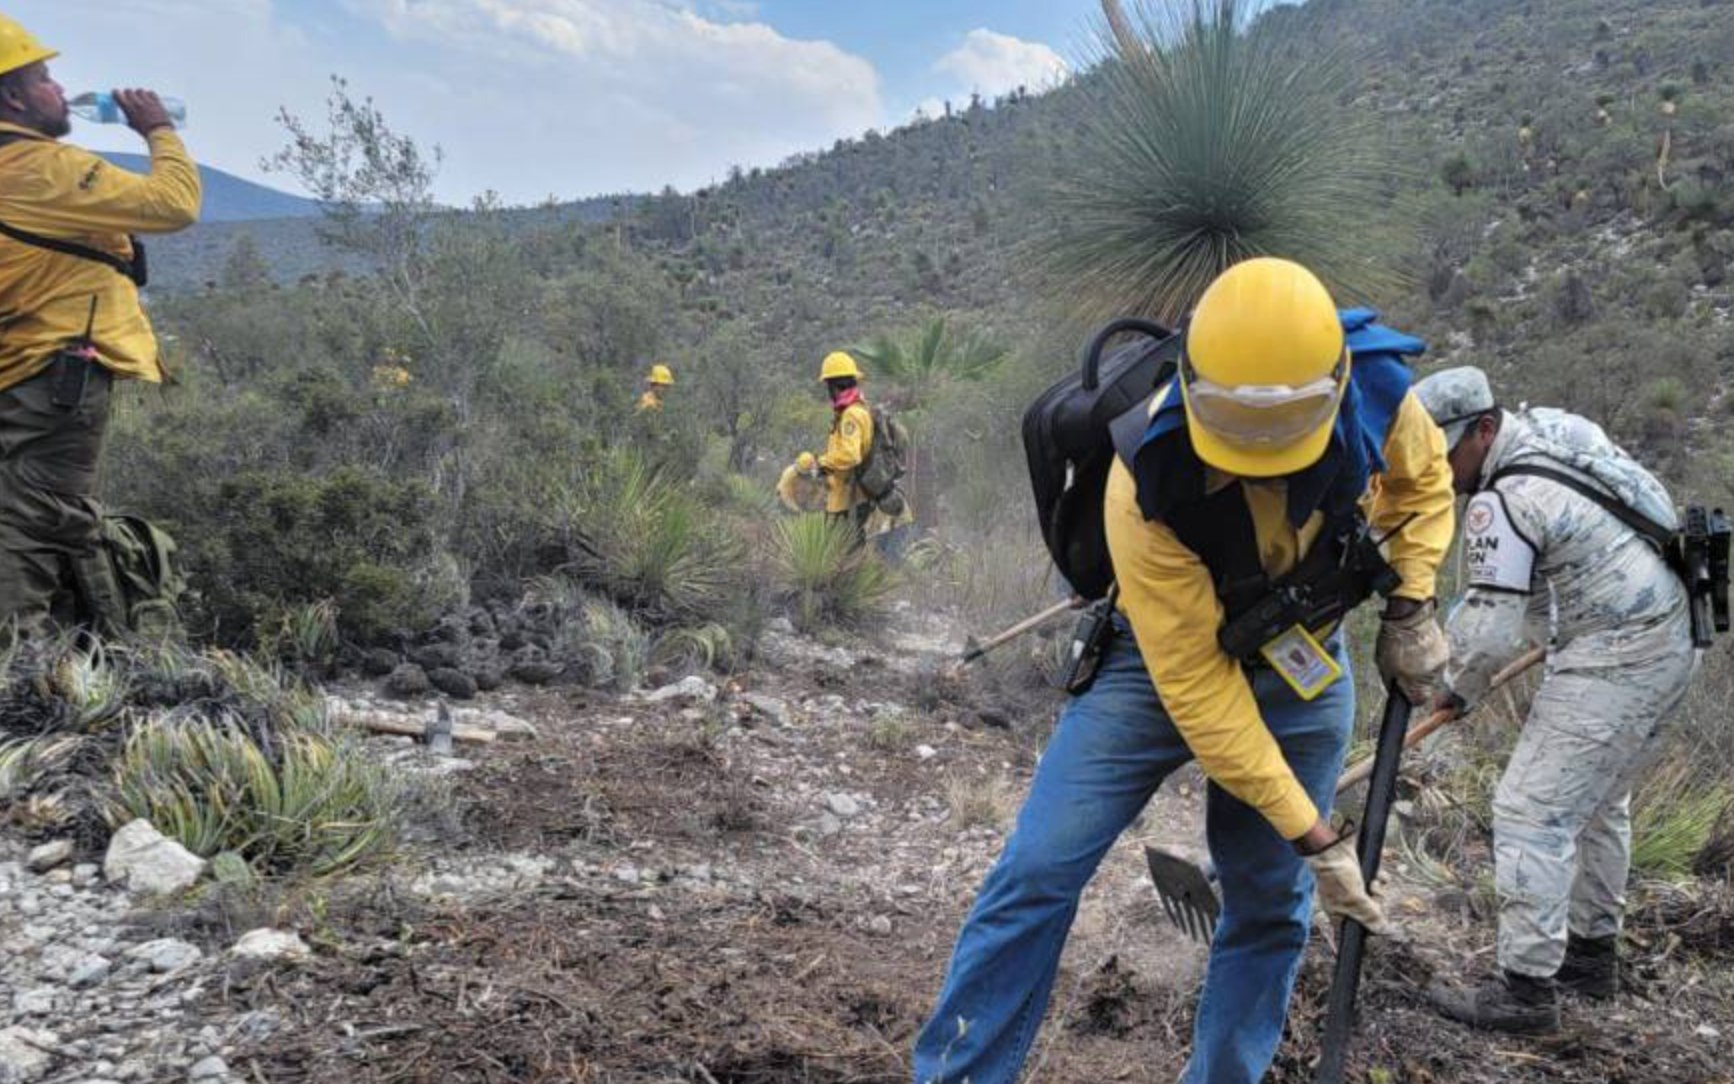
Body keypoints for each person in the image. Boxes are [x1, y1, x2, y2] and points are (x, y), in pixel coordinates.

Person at [912, 258, 1455, 1084]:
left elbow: (1421, 489)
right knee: (1037, 870)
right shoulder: (1145, 477)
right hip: (1152, 666)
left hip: (1301, 660)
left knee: (1270, 904)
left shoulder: (1378, 391)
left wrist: (1412, 603)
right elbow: (1200, 690)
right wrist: (1313, 833)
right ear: (1197, 388)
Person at [1414, 367, 1696, 1035]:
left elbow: (1488, 632)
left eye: (1446, 453)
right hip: (1672, 630)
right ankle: (1591, 961)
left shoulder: (1499, 502)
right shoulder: (1557, 430)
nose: (1439, 471)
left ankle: (1524, 993)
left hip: (1615, 651)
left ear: (1484, 429)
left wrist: (1452, 689)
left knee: (1530, 809)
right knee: (1597, 804)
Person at [0, 15, 201, 644]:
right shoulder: (40, 168)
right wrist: (158, 129)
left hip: (17, 364)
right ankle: (22, 669)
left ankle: (70, 643)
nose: (59, 89)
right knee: (33, 520)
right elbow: (174, 205)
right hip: (53, 375)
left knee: (26, 511)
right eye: (44, 78)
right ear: (12, 97)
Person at [794, 351, 914, 557]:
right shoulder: (857, 410)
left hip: (848, 500)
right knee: (846, 555)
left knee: (841, 558)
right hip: (851, 498)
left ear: (833, 385)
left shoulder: (851, 415)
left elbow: (850, 456)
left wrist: (819, 464)